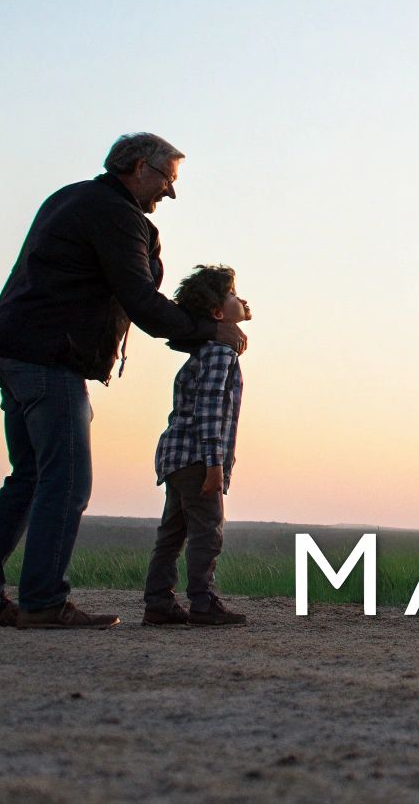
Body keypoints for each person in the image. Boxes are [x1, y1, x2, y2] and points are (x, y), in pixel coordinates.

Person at [0, 133, 248, 630]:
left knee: (27, 479)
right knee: (66, 482)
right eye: (167, 180)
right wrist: (210, 330)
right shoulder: (114, 214)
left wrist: (152, 254)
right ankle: (44, 601)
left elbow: (136, 288)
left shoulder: (73, 199)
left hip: (14, 349)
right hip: (49, 357)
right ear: (136, 167)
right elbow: (140, 297)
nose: (170, 194)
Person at [142, 265, 250, 627]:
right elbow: (208, 408)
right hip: (197, 456)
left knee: (172, 531)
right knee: (208, 527)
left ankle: (158, 602)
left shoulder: (204, 350)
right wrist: (215, 463)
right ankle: (202, 602)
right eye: (233, 294)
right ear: (218, 313)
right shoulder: (220, 353)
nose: (241, 298)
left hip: (176, 454)